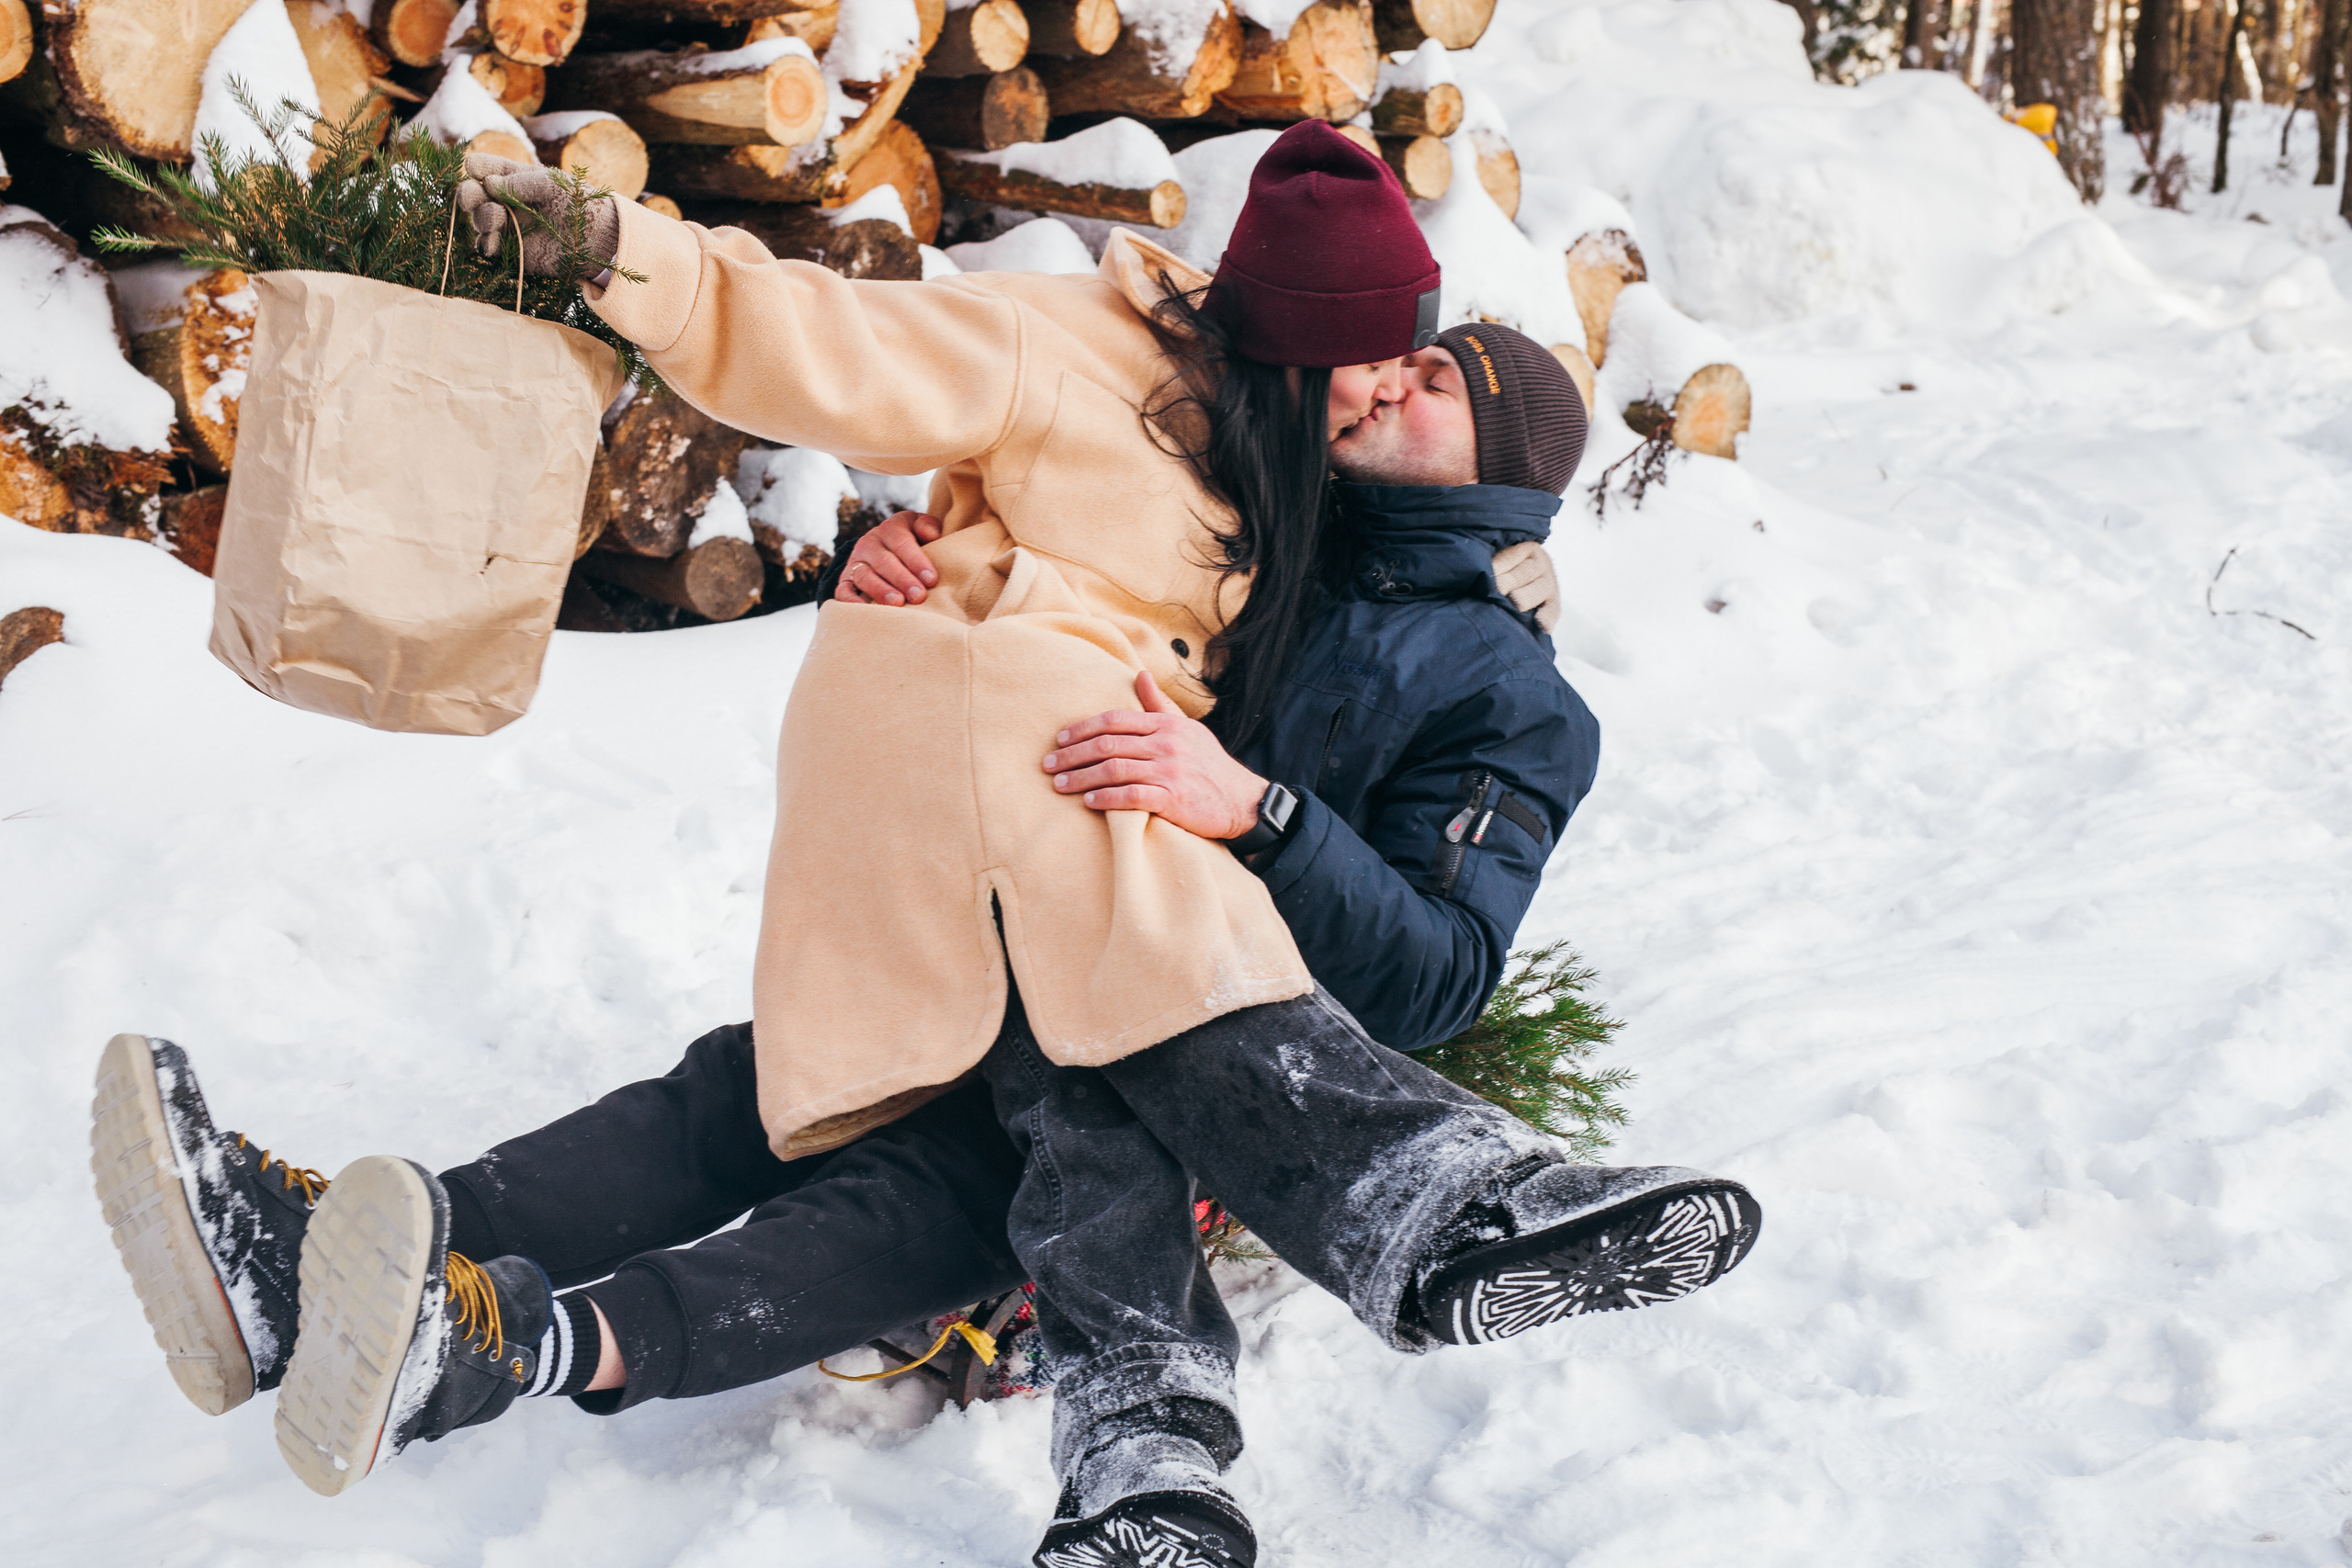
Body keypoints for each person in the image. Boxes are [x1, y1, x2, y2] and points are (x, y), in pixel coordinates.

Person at [91, 126, 1759, 1567]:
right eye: (1388, 359)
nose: (1388, 385)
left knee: (783, 1097)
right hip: (1041, 827)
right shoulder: (1184, 426)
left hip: (1111, 903)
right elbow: (838, 340)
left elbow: (1434, 956)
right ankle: (1422, 1222)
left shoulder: (1433, 628)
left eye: (1423, 384)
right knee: (1077, 1014)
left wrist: (1240, 790)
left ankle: (359, 1285)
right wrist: (649, 278)